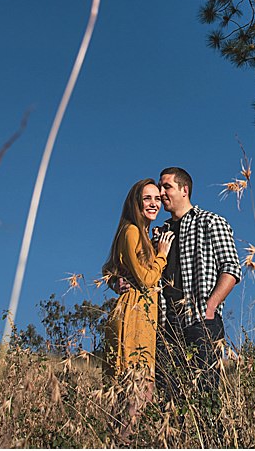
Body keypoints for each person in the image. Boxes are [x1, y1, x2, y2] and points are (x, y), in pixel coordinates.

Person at [153, 166, 242, 420]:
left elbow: (231, 269)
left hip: (200, 323)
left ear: (184, 190)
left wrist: (210, 308)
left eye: (166, 186)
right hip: (166, 327)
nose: (161, 193)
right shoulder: (160, 233)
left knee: (206, 398)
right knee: (170, 401)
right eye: (160, 187)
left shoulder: (210, 222)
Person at [101, 178, 175, 441]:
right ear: (136, 202)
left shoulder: (140, 234)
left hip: (139, 314)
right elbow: (146, 279)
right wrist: (162, 254)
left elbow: (108, 269)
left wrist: (115, 280)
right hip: (134, 316)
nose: (154, 203)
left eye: (157, 198)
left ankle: (115, 440)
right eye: (147, 198)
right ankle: (121, 441)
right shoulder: (132, 230)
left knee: (129, 390)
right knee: (138, 388)